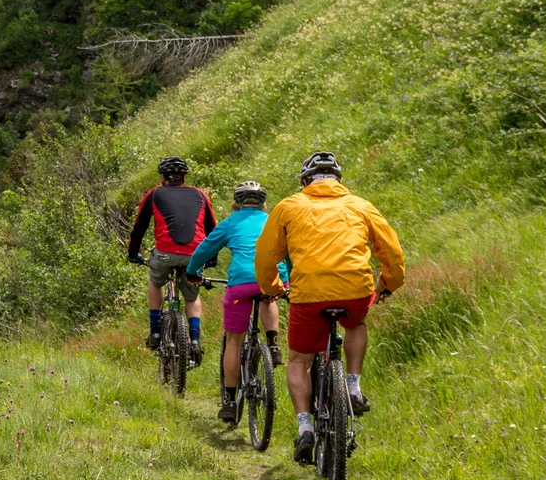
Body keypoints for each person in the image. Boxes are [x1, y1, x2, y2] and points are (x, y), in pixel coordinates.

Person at [254, 152, 405, 464]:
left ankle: (305, 427)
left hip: (308, 294)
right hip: (355, 291)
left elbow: (267, 255)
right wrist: (387, 284)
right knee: (355, 324)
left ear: (304, 182)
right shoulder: (361, 206)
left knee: (298, 361)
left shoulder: (288, 206)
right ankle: (352, 385)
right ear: (339, 180)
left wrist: (273, 289)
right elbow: (391, 250)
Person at [186, 181, 288, 423]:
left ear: (237, 203)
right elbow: (289, 251)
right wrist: (287, 279)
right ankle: (273, 343)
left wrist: (192, 270)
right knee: (269, 296)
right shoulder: (272, 220)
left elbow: (205, 249)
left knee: (233, 341)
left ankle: (230, 402)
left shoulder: (231, 223)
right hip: (271, 279)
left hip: (240, 284)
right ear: (264, 203)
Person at [128, 156, 217, 365]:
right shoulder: (200, 194)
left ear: (162, 177)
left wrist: (133, 254)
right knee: (192, 296)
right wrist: (211, 257)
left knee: (156, 281)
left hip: (165, 253)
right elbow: (213, 229)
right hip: (194, 255)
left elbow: (138, 229)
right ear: (183, 176)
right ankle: (194, 341)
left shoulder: (153, 195)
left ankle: (156, 333)